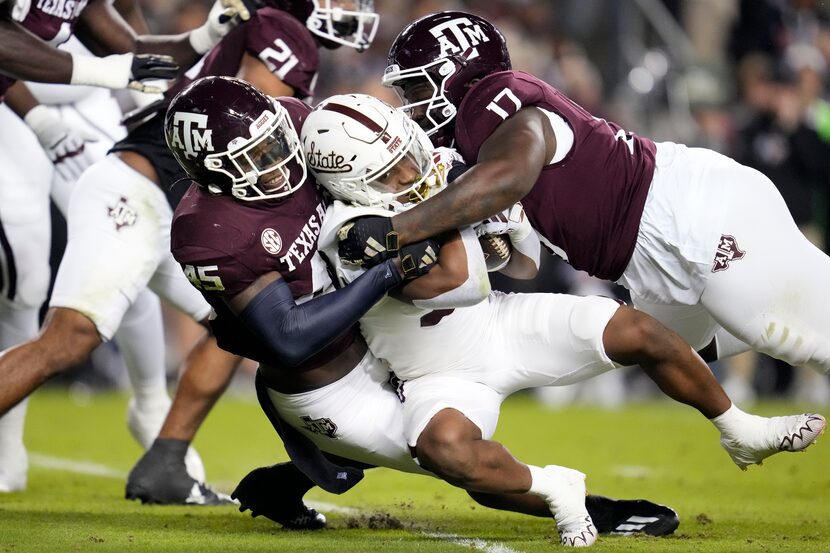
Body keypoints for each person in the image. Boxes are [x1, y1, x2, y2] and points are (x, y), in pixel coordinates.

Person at [160, 75, 684, 542]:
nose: (276, 161)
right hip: (325, 381)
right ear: (213, 176)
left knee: (419, 432)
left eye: (274, 142)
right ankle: (599, 510)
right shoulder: (211, 232)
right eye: (252, 160)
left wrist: (446, 188)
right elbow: (289, 337)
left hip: (373, 333)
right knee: (445, 455)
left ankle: (283, 484)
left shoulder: (301, 128)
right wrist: (388, 269)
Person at [303, 93, 825, 547]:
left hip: (502, 325)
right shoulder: (348, 229)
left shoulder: (432, 173)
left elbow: (524, 265)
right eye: (389, 173)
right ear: (348, 184)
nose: (411, 174)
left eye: (407, 157)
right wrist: (464, 212)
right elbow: (459, 284)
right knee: (445, 451)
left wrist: (496, 227)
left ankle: (739, 429)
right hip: (436, 374)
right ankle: (557, 487)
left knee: (639, 330)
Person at [337, 11, 830, 385]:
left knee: (795, 336)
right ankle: (755, 302)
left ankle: (762, 301)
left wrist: (397, 231)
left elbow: (507, 177)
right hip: (650, 254)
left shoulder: (492, 98)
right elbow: (525, 259)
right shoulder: (474, 147)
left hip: (692, 216)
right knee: (667, 353)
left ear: (457, 75)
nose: (411, 107)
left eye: (418, 88)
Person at [120, 0, 383, 509]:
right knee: (70, 337)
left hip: (179, 191)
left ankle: (166, 455)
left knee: (235, 323)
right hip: (158, 193)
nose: (351, 7)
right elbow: (258, 129)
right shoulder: (278, 31)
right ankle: (167, 446)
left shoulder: (265, 28)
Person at [0, 0, 208, 494]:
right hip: (13, 100)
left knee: (126, 248)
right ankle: (7, 447)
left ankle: (151, 402)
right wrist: (85, 87)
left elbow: (127, 34)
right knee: (26, 281)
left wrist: (194, 45)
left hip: (83, 93)